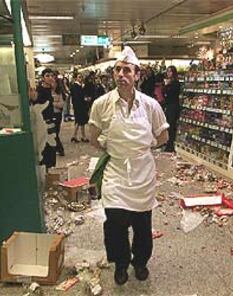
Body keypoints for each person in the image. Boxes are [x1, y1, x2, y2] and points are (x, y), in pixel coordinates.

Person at [88, 46, 169, 286]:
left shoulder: (150, 105)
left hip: (143, 173)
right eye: (117, 70)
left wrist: (143, 149)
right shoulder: (101, 104)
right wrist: (114, 150)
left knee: (143, 224)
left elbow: (163, 137)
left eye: (127, 70)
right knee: (115, 222)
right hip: (116, 172)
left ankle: (140, 262)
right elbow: (94, 137)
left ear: (137, 75)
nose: (121, 74)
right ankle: (121, 264)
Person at [34, 68, 57, 169]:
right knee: (45, 148)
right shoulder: (40, 90)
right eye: (47, 76)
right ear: (43, 78)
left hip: (51, 122)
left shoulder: (50, 89)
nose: (50, 78)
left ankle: (51, 170)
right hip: (43, 123)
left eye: (52, 76)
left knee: (52, 147)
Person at [163, 65, 181, 152]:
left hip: (173, 106)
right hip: (169, 105)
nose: (168, 73)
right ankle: (168, 144)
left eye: (170, 71)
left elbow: (172, 94)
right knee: (168, 126)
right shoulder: (168, 82)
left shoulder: (176, 83)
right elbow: (164, 94)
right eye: (167, 71)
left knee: (171, 125)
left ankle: (170, 145)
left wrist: (167, 86)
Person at [70, 73, 89, 142]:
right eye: (79, 77)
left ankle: (78, 136)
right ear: (76, 78)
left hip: (80, 106)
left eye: (81, 77)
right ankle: (79, 136)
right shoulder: (76, 86)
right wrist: (85, 99)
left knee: (80, 121)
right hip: (79, 106)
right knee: (80, 121)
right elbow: (78, 97)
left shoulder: (79, 86)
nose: (81, 78)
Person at [52, 76, 65, 156]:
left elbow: (61, 104)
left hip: (57, 115)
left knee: (55, 133)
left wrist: (53, 103)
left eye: (54, 82)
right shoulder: (47, 92)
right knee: (53, 133)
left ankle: (60, 149)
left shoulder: (59, 93)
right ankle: (57, 148)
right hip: (50, 114)